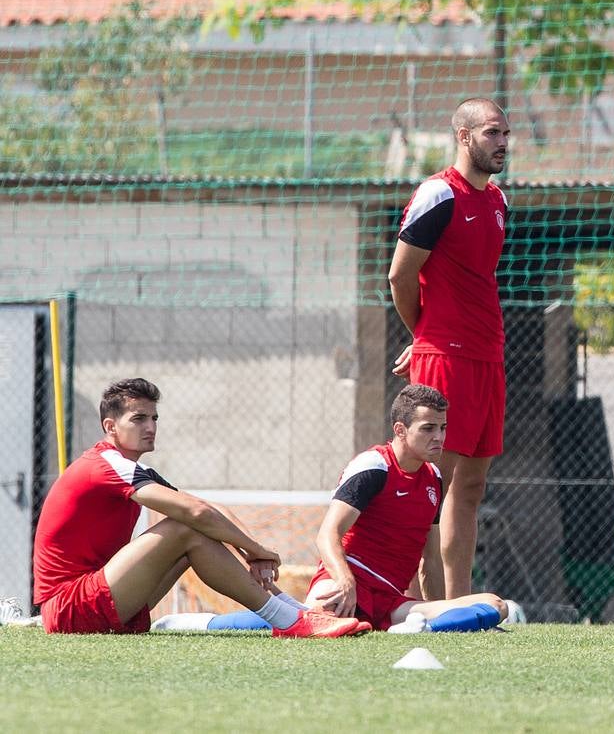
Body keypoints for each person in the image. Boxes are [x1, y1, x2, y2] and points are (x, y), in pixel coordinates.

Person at [31, 378, 368, 637]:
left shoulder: (132, 468)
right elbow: (193, 515)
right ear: (110, 427)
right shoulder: (106, 463)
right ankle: (291, 621)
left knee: (194, 528)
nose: (150, 427)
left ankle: (294, 611)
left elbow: (206, 507)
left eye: (154, 418)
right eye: (139, 419)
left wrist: (253, 552)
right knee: (184, 528)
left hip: (101, 602)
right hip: (69, 609)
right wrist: (256, 550)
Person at [389, 97, 510, 598]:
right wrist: (425, 339)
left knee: (472, 488)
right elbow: (400, 274)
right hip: (446, 357)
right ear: (463, 136)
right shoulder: (438, 194)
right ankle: (418, 600)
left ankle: (460, 605)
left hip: (488, 356)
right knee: (430, 485)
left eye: (505, 134)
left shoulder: (499, 200)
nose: (502, 143)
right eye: (491, 133)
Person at [305, 384, 509, 632]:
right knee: (320, 615)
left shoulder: (433, 477)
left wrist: (442, 610)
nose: (440, 437)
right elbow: (327, 535)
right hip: (343, 583)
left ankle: (422, 627)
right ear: (400, 430)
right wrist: (345, 581)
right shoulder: (374, 466)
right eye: (428, 429)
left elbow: (431, 558)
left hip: (391, 602)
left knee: (496, 605)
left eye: (443, 428)